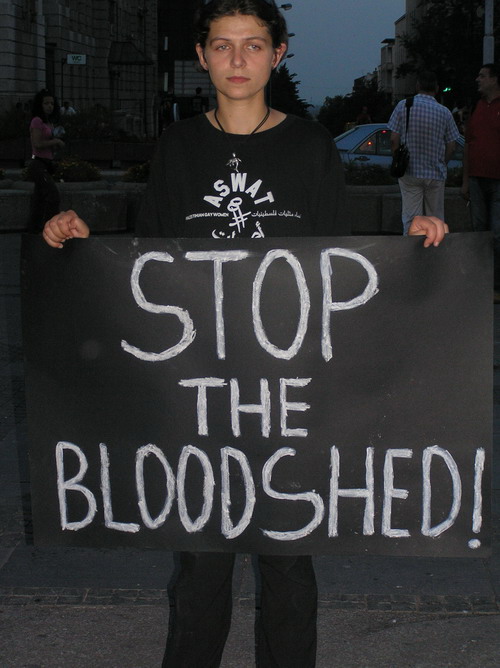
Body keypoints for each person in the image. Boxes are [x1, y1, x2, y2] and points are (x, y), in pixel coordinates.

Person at [42, 2, 447, 665]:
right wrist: (82, 245)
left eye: (252, 45)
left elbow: (336, 264)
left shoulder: (311, 147)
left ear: (278, 53)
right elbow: (150, 265)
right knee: (201, 572)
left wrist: (407, 249)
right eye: (222, 46)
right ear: (201, 56)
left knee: (289, 568)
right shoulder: (178, 147)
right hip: (200, 396)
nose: (237, 60)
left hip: (285, 398)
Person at [388, 71, 460, 235]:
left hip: (410, 172)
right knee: (435, 219)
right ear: (437, 88)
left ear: (417, 86)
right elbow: (452, 145)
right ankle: (434, 253)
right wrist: (443, 162)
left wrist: (398, 158)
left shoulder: (404, 106)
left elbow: (393, 139)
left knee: (411, 218)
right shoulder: (445, 112)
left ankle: (411, 252)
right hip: (435, 173)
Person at [461, 63, 500, 300]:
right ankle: (481, 282)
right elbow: (468, 144)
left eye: (482, 76)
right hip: (477, 178)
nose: (478, 80)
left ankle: (495, 285)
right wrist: (465, 180)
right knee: (479, 232)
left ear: (495, 79)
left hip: (498, 180)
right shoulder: (477, 107)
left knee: (496, 234)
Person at [27, 89, 65, 233]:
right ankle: (48, 228)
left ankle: (34, 231)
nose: (49, 106)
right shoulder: (37, 121)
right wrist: (54, 140)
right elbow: (37, 144)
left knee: (39, 201)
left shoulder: (49, 122)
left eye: (52, 103)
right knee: (53, 195)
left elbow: (49, 146)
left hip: (47, 163)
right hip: (38, 164)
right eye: (46, 103)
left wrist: (57, 143)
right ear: (40, 105)